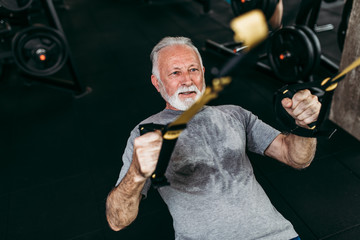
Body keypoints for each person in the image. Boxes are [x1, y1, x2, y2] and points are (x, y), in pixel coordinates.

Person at [106, 36, 320, 239]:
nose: (187, 80)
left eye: (193, 70)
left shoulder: (234, 114)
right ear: (157, 82)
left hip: (276, 236)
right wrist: (136, 173)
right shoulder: (145, 132)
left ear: (203, 73)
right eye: (175, 73)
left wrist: (305, 125)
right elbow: (117, 221)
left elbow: (297, 158)